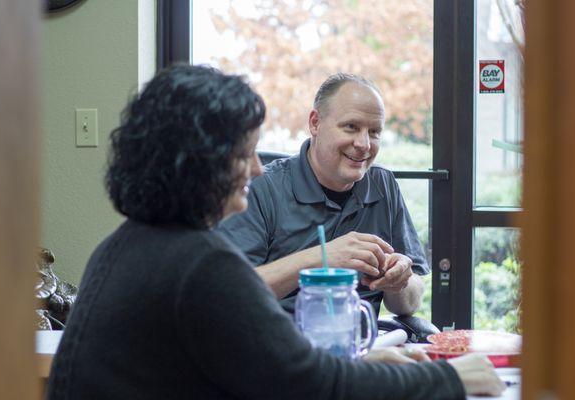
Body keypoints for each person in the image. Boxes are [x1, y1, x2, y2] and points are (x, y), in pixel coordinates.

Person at [46, 64, 504, 399]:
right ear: (200, 164)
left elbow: (281, 372)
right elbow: (311, 384)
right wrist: (452, 378)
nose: (257, 168)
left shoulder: (126, 244)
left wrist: (360, 361)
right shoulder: (200, 264)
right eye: (245, 154)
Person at [219, 73, 426, 317]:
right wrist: (325, 258)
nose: (364, 144)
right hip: (282, 344)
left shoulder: (383, 183)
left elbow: (410, 303)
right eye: (351, 127)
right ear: (315, 123)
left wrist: (399, 280)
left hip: (365, 343)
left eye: (374, 132)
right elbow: (230, 292)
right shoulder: (260, 187)